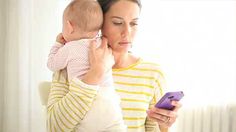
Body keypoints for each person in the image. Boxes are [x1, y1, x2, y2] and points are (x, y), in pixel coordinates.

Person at [47, 0, 182, 132]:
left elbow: (153, 130)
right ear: (99, 24)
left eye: (134, 23)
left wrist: (164, 125)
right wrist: (95, 73)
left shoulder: (153, 73)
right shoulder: (69, 65)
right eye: (117, 22)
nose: (127, 32)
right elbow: (54, 128)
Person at [47, 0, 126, 131]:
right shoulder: (103, 45)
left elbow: (51, 64)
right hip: (109, 101)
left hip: (88, 105)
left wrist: (58, 44)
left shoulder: (70, 48)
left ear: (69, 26)